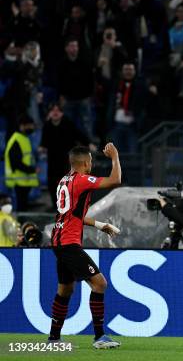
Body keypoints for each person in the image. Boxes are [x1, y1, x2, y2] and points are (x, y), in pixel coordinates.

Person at [48, 144, 122, 348]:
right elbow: (115, 180)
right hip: (69, 243)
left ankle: (54, 338)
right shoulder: (81, 180)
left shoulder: (64, 180)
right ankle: (99, 337)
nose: (92, 164)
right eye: (90, 161)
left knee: (65, 290)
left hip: (58, 241)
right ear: (85, 163)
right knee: (100, 283)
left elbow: (73, 215)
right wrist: (114, 157)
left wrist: (100, 224)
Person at [39, 103, 94, 209]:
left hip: (67, 158)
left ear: (62, 113)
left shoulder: (68, 123)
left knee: (66, 181)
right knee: (52, 182)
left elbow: (79, 134)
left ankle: (69, 204)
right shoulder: (47, 125)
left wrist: (89, 143)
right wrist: (42, 147)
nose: (55, 112)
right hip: (52, 158)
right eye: (53, 110)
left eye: (58, 110)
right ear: (49, 113)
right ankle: (56, 204)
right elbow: (44, 142)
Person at [4, 115, 39, 212]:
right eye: (29, 125)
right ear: (22, 126)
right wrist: (32, 170)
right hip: (19, 181)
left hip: (23, 180)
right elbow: (16, 163)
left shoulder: (23, 138)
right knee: (21, 209)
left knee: (23, 207)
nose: (31, 128)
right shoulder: (16, 140)